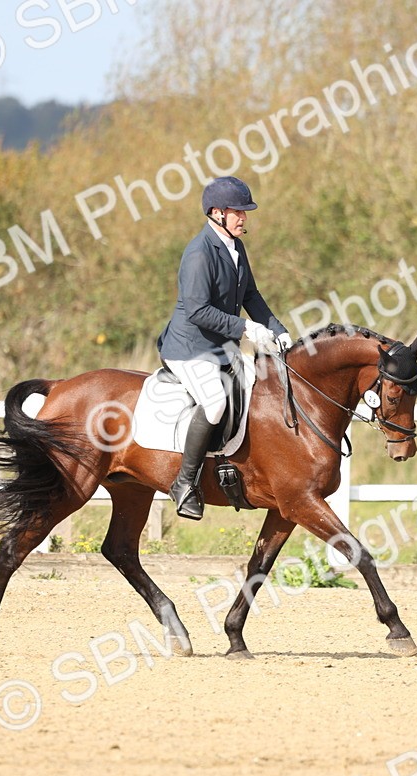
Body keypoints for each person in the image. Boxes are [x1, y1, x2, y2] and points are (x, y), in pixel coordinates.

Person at [156, 176, 293, 520]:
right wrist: (246, 328)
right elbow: (199, 311)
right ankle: (185, 483)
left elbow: (250, 296)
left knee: (263, 388)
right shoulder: (199, 253)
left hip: (221, 345)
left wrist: (278, 330)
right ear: (217, 213)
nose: (244, 217)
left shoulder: (235, 247)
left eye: (245, 212)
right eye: (238, 212)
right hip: (189, 347)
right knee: (215, 402)